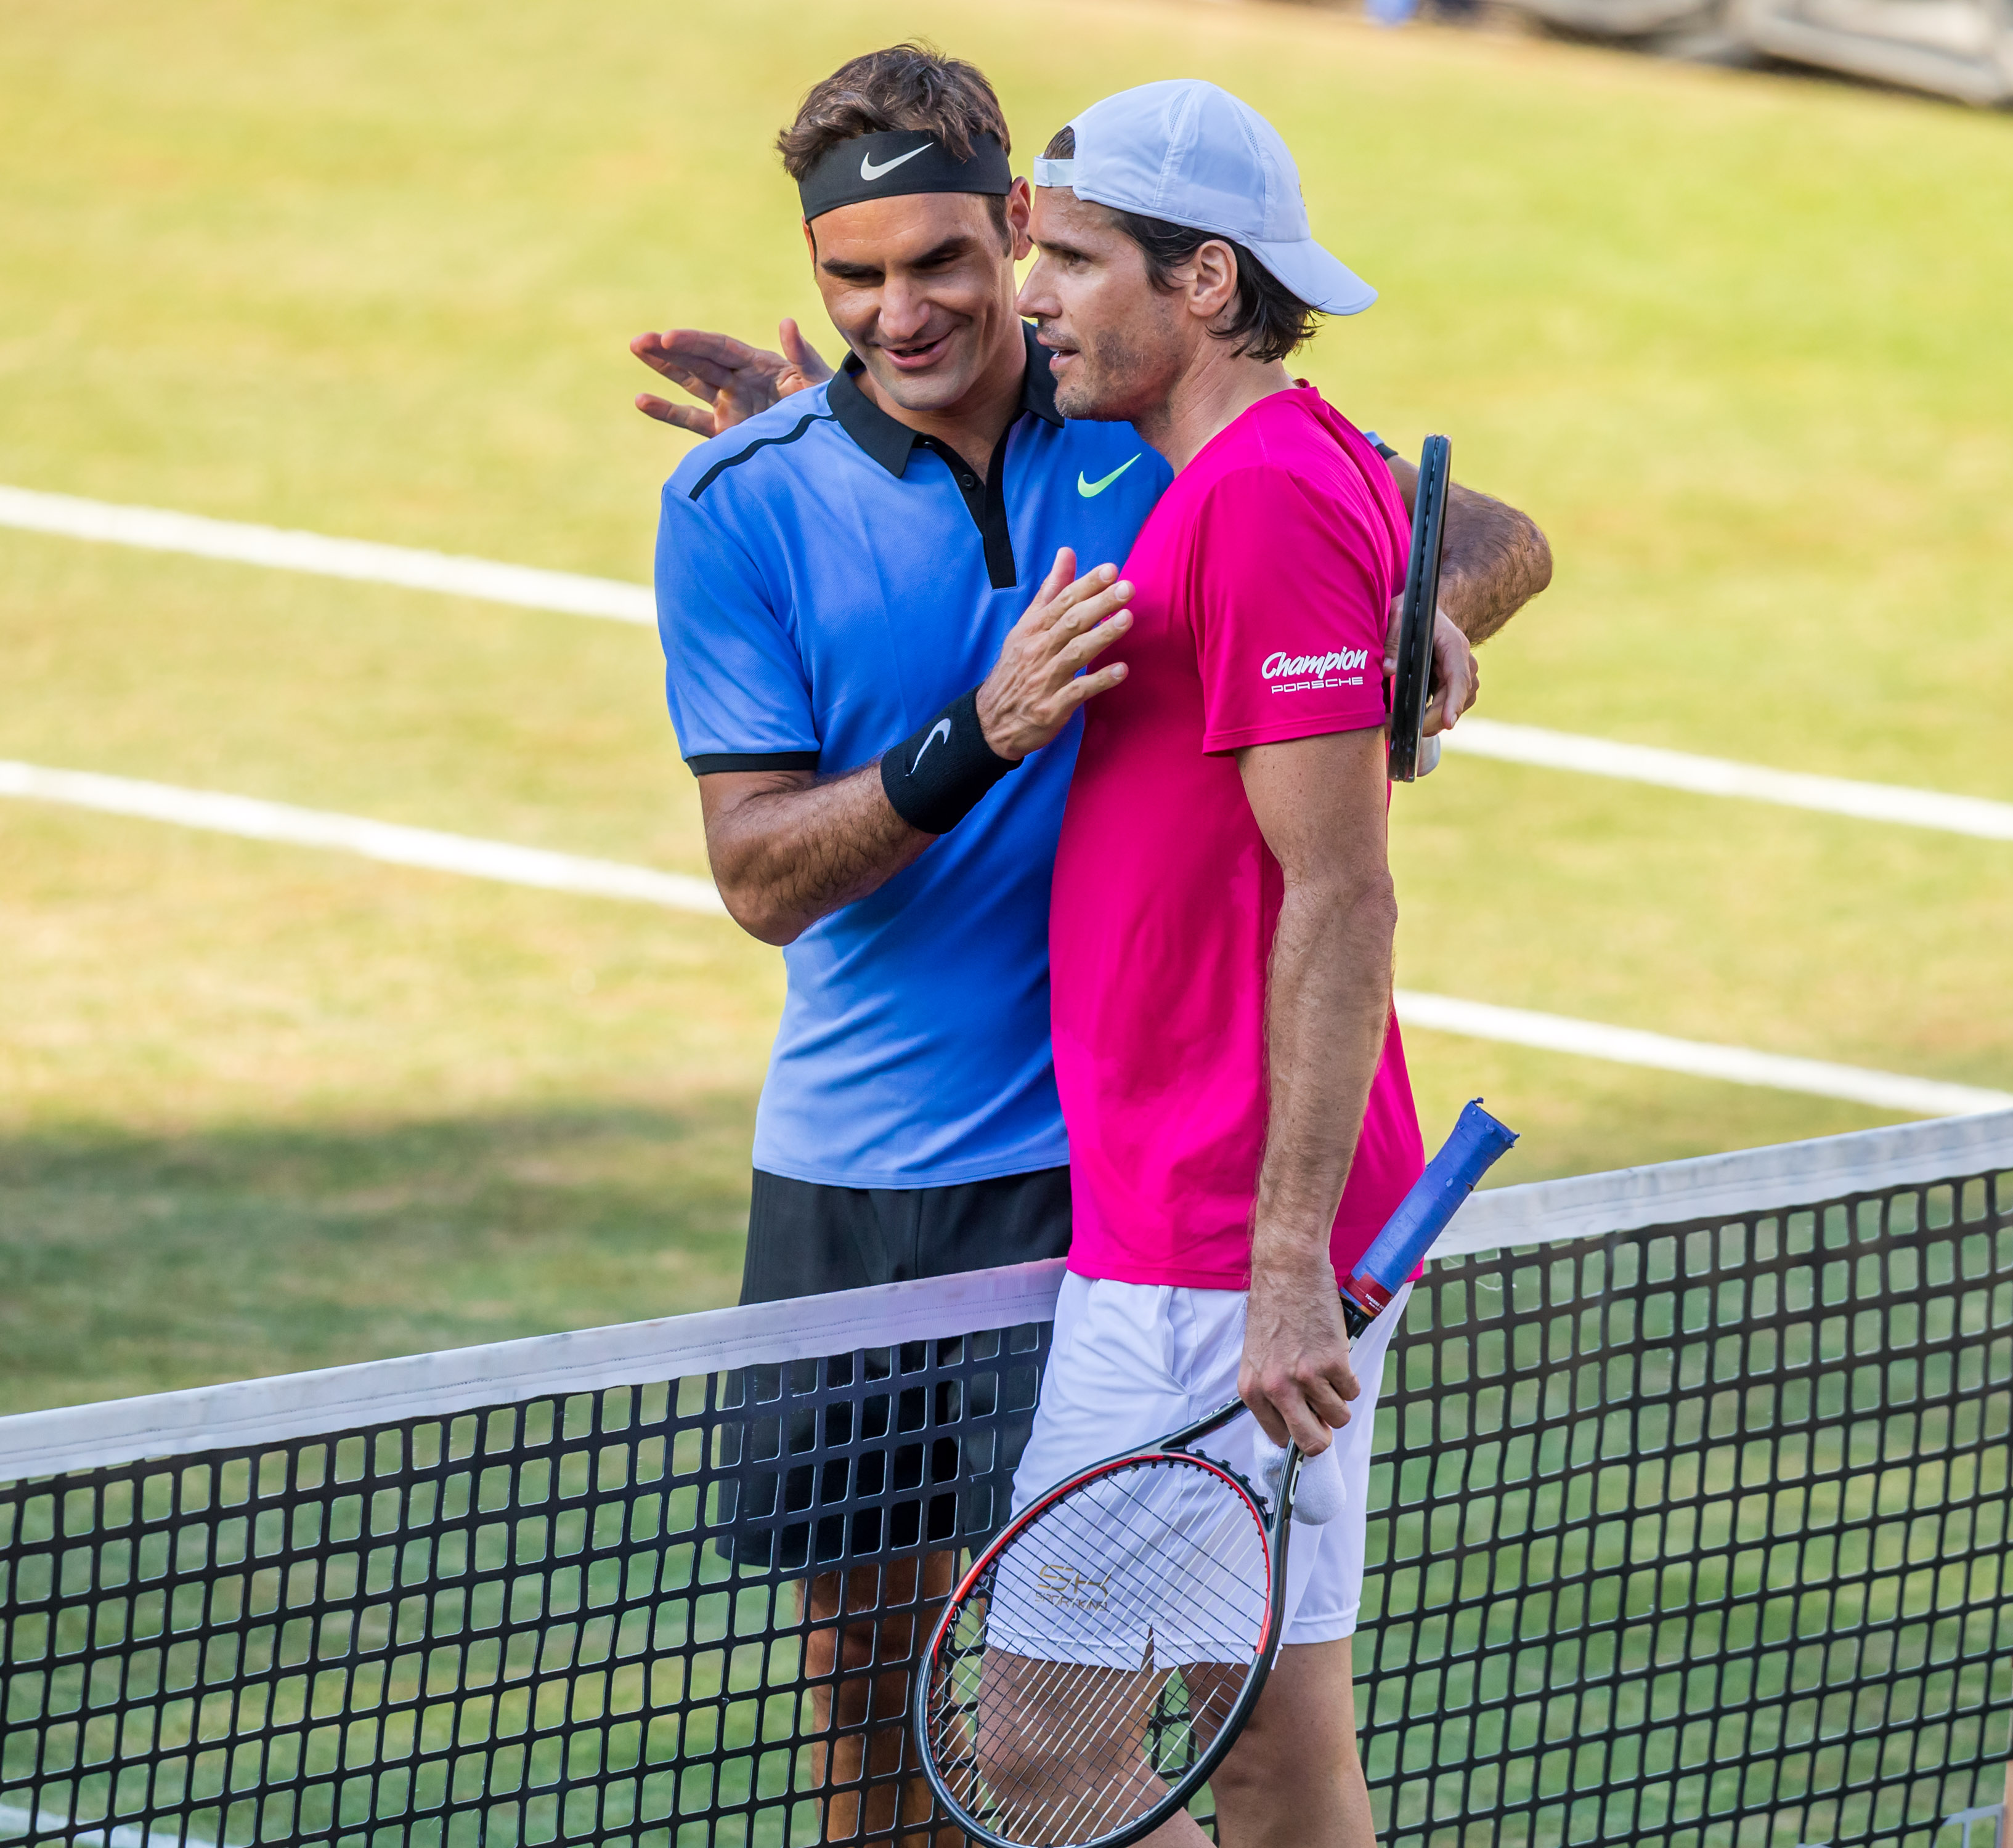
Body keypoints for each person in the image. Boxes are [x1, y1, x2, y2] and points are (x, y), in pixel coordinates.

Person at [636, 47, 1551, 1845]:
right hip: (879, 1177)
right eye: (856, 279)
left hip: (1137, 1182)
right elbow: (756, 880)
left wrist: (1413, 622)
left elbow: (1481, 538)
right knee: (884, 1717)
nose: (911, 311)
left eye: (957, 264)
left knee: (1184, 1716)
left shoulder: (1144, 425)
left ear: (1018, 229)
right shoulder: (746, 501)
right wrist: (960, 734)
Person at [972, 79, 1441, 1848]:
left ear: (1209, 285)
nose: (1036, 299)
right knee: (1269, 1749)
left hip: (1212, 1232)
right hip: (1229, 1211)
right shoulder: (1287, 468)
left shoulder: (1255, 502)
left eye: (1079, 264)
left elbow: (1341, 894)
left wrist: (1274, 1264)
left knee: (1039, 1751)